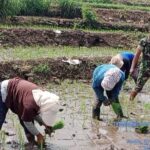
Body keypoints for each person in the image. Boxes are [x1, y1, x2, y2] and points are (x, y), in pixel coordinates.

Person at [0, 77, 60, 145]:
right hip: (4, 90)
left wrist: (45, 124)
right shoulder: (29, 105)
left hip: (20, 96)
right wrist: (39, 135)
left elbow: (35, 114)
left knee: (28, 117)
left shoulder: (40, 99)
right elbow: (27, 122)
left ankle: (31, 143)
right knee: (1, 119)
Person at [130, 36, 150, 100]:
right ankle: (130, 101)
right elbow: (137, 55)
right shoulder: (144, 41)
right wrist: (132, 68)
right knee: (138, 87)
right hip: (145, 68)